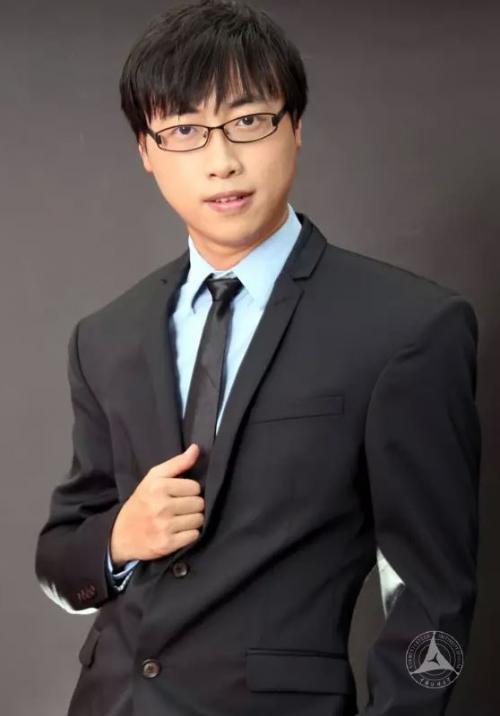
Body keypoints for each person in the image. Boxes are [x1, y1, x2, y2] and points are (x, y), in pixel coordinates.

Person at [34, 1, 481, 714]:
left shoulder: (407, 329)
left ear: (294, 126)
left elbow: (435, 596)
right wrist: (119, 538)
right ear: (146, 150)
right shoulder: (105, 337)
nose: (222, 161)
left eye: (248, 121)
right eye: (185, 130)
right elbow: (59, 557)